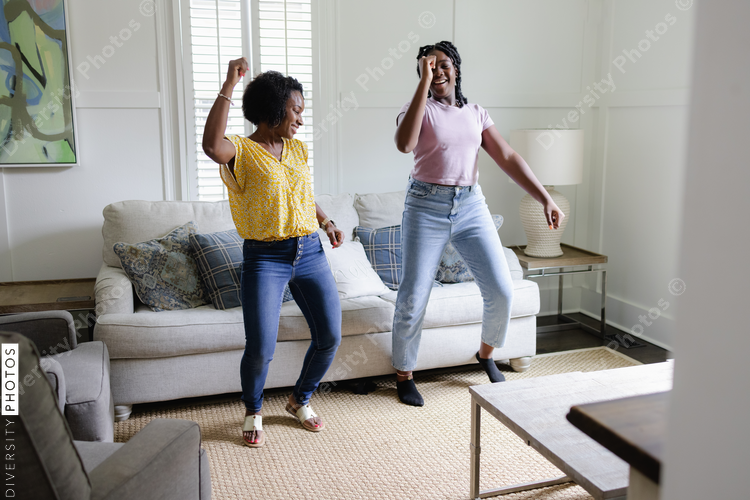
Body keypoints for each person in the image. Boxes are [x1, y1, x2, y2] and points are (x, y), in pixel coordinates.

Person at [392, 41, 565, 406]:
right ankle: (404, 373)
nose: (437, 70)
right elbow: (404, 145)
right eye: (428, 66)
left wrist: (545, 198)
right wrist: (423, 83)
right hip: (425, 207)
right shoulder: (417, 109)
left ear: (456, 68)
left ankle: (485, 354)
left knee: (502, 289)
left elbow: (506, 155)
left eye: (443, 64)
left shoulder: (475, 112)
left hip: (471, 205)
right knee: (412, 296)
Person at [203, 57, 344, 446]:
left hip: (310, 252)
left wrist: (326, 221)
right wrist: (229, 84)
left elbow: (301, 195)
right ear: (272, 110)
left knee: (330, 335)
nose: (300, 118)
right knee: (261, 348)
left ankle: (299, 400)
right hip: (265, 258)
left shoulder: (297, 150)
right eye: (295, 109)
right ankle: (253, 410)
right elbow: (212, 146)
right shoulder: (242, 151)